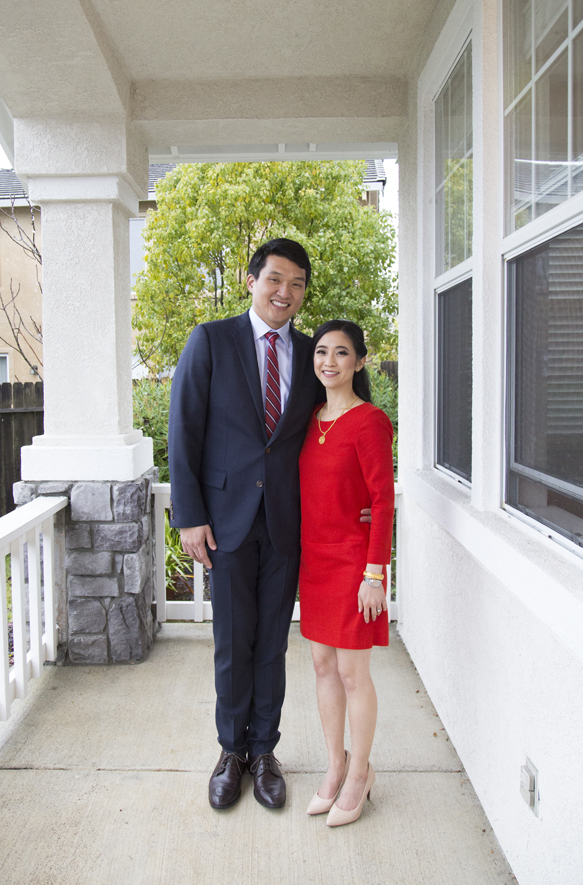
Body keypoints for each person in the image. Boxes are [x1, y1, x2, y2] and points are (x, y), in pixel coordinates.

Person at [168, 238, 323, 811]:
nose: (286, 292)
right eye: (276, 279)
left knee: (272, 645)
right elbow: (183, 429)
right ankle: (231, 751)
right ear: (252, 281)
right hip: (225, 523)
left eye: (297, 283)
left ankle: (264, 752)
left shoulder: (311, 353)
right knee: (232, 644)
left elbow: (335, 425)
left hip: (286, 523)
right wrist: (189, 516)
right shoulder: (211, 340)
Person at [298, 319, 395, 827]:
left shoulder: (370, 421)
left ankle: (361, 773)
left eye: (341, 352)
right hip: (314, 561)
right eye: (321, 351)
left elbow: (383, 502)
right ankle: (335, 766)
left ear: (359, 361)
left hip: (356, 565)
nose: (329, 361)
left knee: (354, 673)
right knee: (322, 667)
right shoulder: (310, 418)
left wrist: (374, 575)